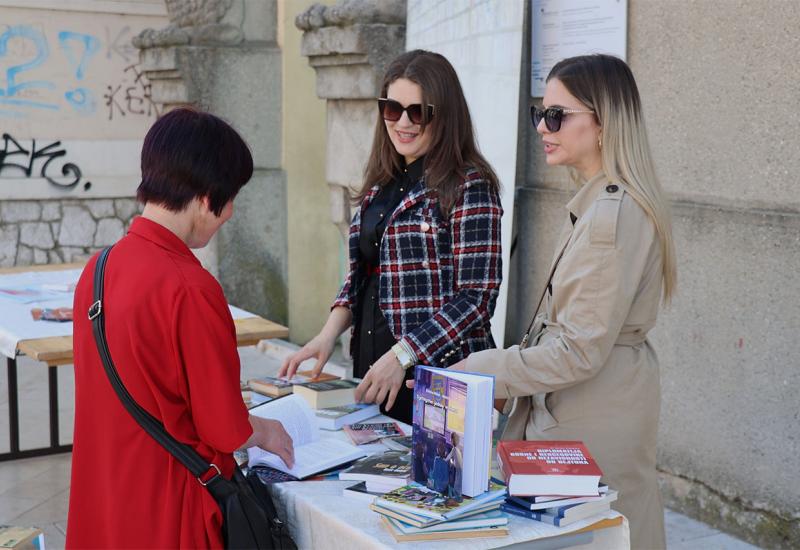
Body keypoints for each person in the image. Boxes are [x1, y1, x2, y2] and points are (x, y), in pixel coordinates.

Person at [440, 55, 676, 549]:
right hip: (593, 402)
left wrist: (485, 370)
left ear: (604, 121)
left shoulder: (611, 213)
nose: (543, 128)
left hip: (590, 414)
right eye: (539, 114)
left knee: (600, 535)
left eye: (557, 115)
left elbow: (578, 349)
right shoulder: (604, 204)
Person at [66, 108, 295, 549]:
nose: (231, 212)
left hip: (105, 498)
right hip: (169, 508)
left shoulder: (98, 268)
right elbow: (225, 429)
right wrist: (266, 430)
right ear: (207, 197)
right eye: (231, 198)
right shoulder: (190, 287)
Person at [280, 50, 503, 424]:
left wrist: (402, 355)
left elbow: (476, 299)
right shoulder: (381, 183)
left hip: (436, 382)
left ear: (444, 116)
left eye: (418, 112)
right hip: (373, 376)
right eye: (392, 109)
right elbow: (363, 275)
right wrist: (326, 335)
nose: (403, 122)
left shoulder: (470, 185)